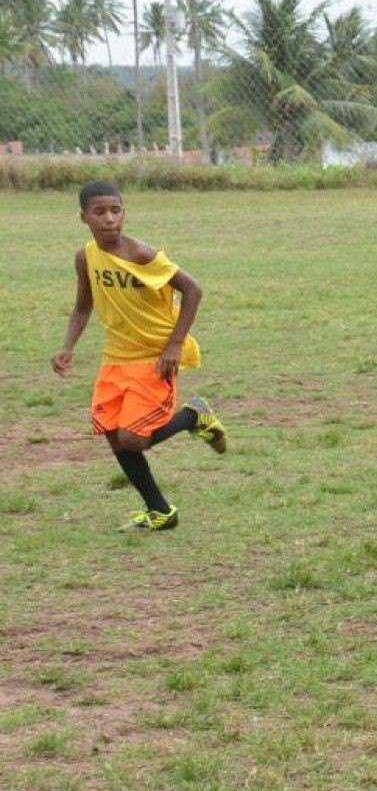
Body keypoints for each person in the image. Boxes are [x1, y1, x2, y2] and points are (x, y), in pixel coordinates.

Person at [51, 181, 227, 532]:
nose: (109, 219)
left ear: (124, 213)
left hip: (154, 356)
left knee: (134, 438)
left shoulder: (142, 254)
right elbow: (83, 306)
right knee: (114, 436)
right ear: (84, 217)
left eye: (116, 210)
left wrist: (175, 345)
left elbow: (193, 290)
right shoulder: (85, 257)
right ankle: (160, 511)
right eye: (100, 212)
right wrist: (68, 346)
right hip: (116, 359)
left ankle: (194, 417)